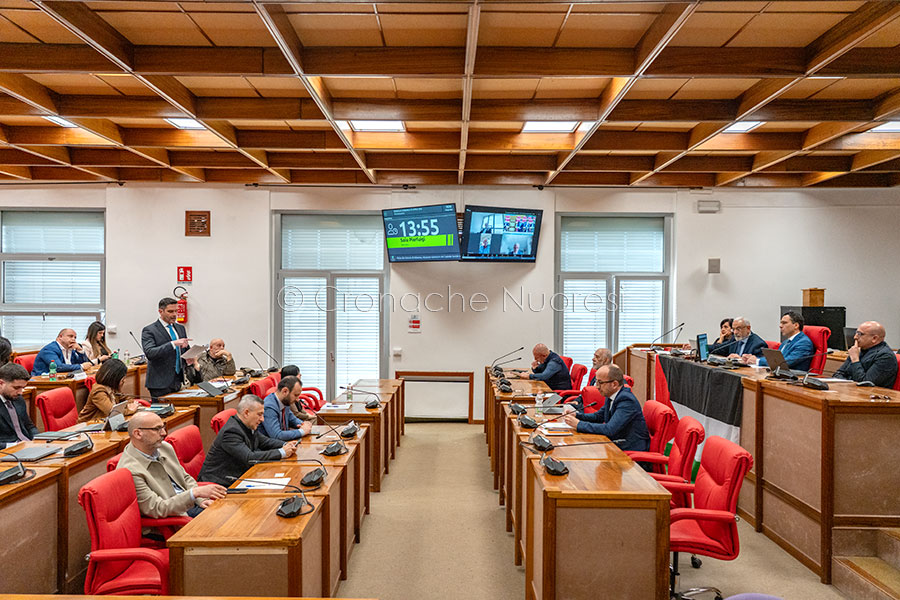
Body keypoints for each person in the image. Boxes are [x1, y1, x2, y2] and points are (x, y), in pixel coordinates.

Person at [117, 411, 227, 518]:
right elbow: (158, 508)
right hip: (175, 517)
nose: (164, 433)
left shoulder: (164, 448)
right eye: (157, 429)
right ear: (138, 433)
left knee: (232, 510)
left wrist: (200, 499)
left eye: (163, 427)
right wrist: (194, 493)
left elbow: (185, 478)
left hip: (190, 503)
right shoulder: (130, 470)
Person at [198, 395, 298, 486]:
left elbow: (264, 441)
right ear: (246, 413)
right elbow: (250, 458)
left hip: (240, 476)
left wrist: (286, 444)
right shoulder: (231, 432)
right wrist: (282, 452)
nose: (262, 419)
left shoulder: (246, 425)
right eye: (259, 414)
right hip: (218, 484)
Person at [563, 364, 650, 453]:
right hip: (615, 445)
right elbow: (598, 416)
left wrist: (579, 424)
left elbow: (610, 429)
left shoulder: (626, 400)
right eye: (596, 382)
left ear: (614, 384)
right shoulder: (612, 395)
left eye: (600, 383)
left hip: (629, 452)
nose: (597, 387)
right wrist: (577, 415)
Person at [142, 297, 191, 399]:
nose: (174, 314)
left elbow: (183, 351)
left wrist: (190, 353)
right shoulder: (149, 330)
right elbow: (150, 353)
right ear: (161, 311)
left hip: (177, 379)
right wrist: (172, 344)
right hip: (159, 383)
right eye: (170, 311)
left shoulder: (180, 328)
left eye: (176, 311)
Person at [744, 311, 815, 371]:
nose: (780, 326)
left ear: (796, 325)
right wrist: (753, 358)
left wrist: (757, 361)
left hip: (794, 380)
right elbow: (775, 359)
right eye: (781, 323)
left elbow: (784, 363)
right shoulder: (786, 342)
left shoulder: (804, 343)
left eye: (784, 323)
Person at [834, 321, 898, 388]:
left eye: (860, 334)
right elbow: (838, 374)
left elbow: (865, 384)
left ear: (874, 338)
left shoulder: (885, 356)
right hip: (852, 391)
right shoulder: (859, 350)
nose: (855, 337)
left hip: (873, 396)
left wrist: (855, 360)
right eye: (856, 333)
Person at [77, 358, 140, 423]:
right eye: (122, 378)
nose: (124, 381)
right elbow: (112, 412)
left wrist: (130, 404)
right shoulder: (98, 391)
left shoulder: (112, 388)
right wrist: (130, 410)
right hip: (88, 425)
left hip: (104, 422)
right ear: (114, 378)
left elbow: (127, 399)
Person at [259, 376, 313, 441]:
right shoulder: (269, 407)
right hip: (270, 448)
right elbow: (277, 435)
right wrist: (302, 431)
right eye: (295, 395)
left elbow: (292, 419)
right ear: (285, 391)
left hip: (285, 444)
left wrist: (303, 424)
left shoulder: (284, 402)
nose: (297, 400)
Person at [0, 363, 37, 448]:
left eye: (23, 388)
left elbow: (29, 426)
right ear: (1, 383)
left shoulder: (18, 399)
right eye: (16, 388)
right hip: (7, 451)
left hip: (27, 445)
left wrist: (39, 439)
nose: (21, 392)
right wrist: (13, 446)